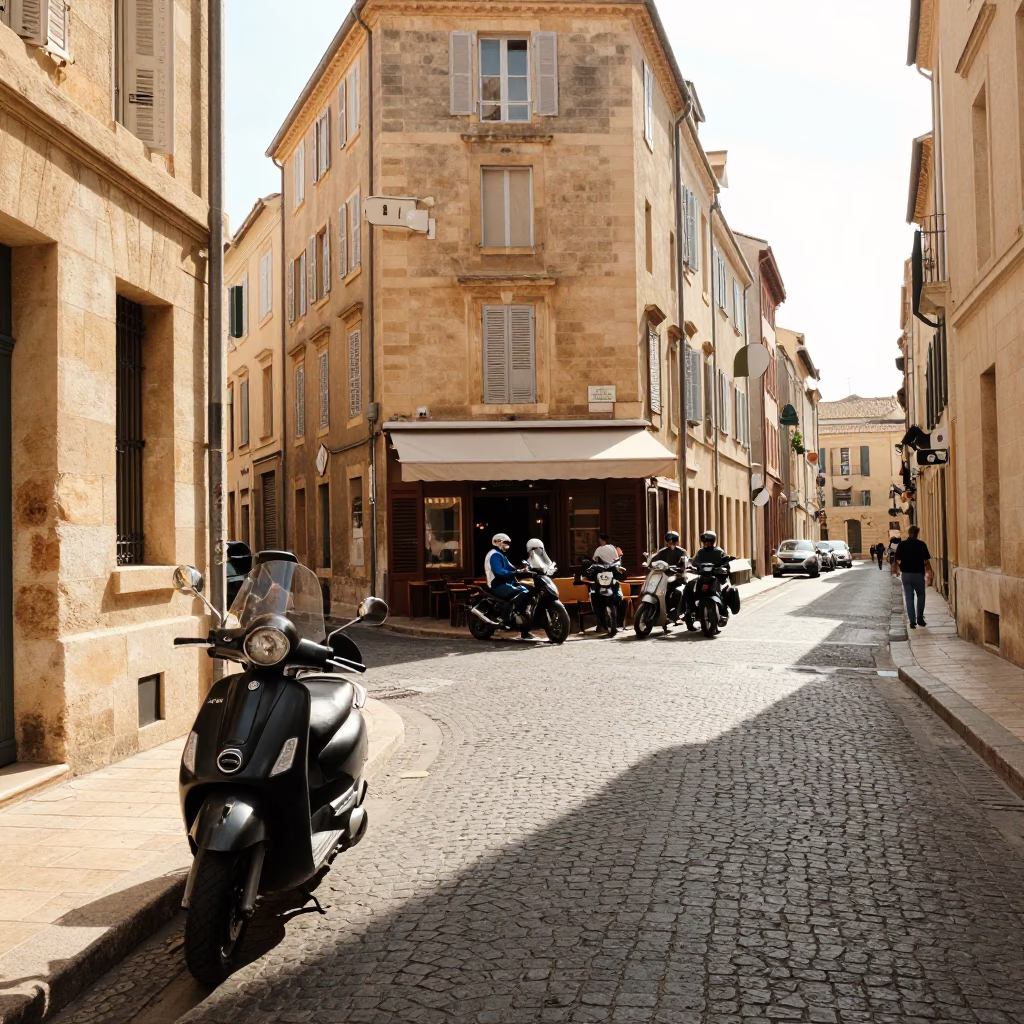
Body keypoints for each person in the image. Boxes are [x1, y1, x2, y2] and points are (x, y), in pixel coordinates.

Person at [483, 533, 534, 639]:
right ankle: (507, 618)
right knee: (520, 594)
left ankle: (524, 627)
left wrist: (525, 569)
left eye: (508, 543)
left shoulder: (501, 554)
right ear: (498, 542)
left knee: (527, 593)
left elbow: (511, 568)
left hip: (506, 583)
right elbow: (499, 572)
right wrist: (516, 572)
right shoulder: (494, 555)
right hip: (497, 585)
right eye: (505, 543)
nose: (507, 545)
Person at [894, 525, 933, 629]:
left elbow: (897, 559)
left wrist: (896, 569)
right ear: (917, 533)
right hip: (918, 574)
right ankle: (919, 617)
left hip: (906, 574)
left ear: (909, 533)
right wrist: (930, 570)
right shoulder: (921, 545)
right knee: (921, 595)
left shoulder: (902, 545)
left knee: (909, 598)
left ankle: (912, 621)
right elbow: (926, 560)